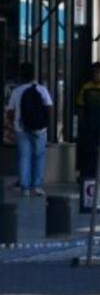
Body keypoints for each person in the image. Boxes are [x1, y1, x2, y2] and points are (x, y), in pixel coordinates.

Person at [5, 63, 53, 196]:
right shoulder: (42, 89)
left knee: (24, 157)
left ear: (21, 75)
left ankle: (25, 187)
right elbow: (49, 107)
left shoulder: (16, 91)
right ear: (34, 75)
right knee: (39, 156)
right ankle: (37, 186)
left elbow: (10, 111)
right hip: (40, 129)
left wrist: (15, 122)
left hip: (21, 128)